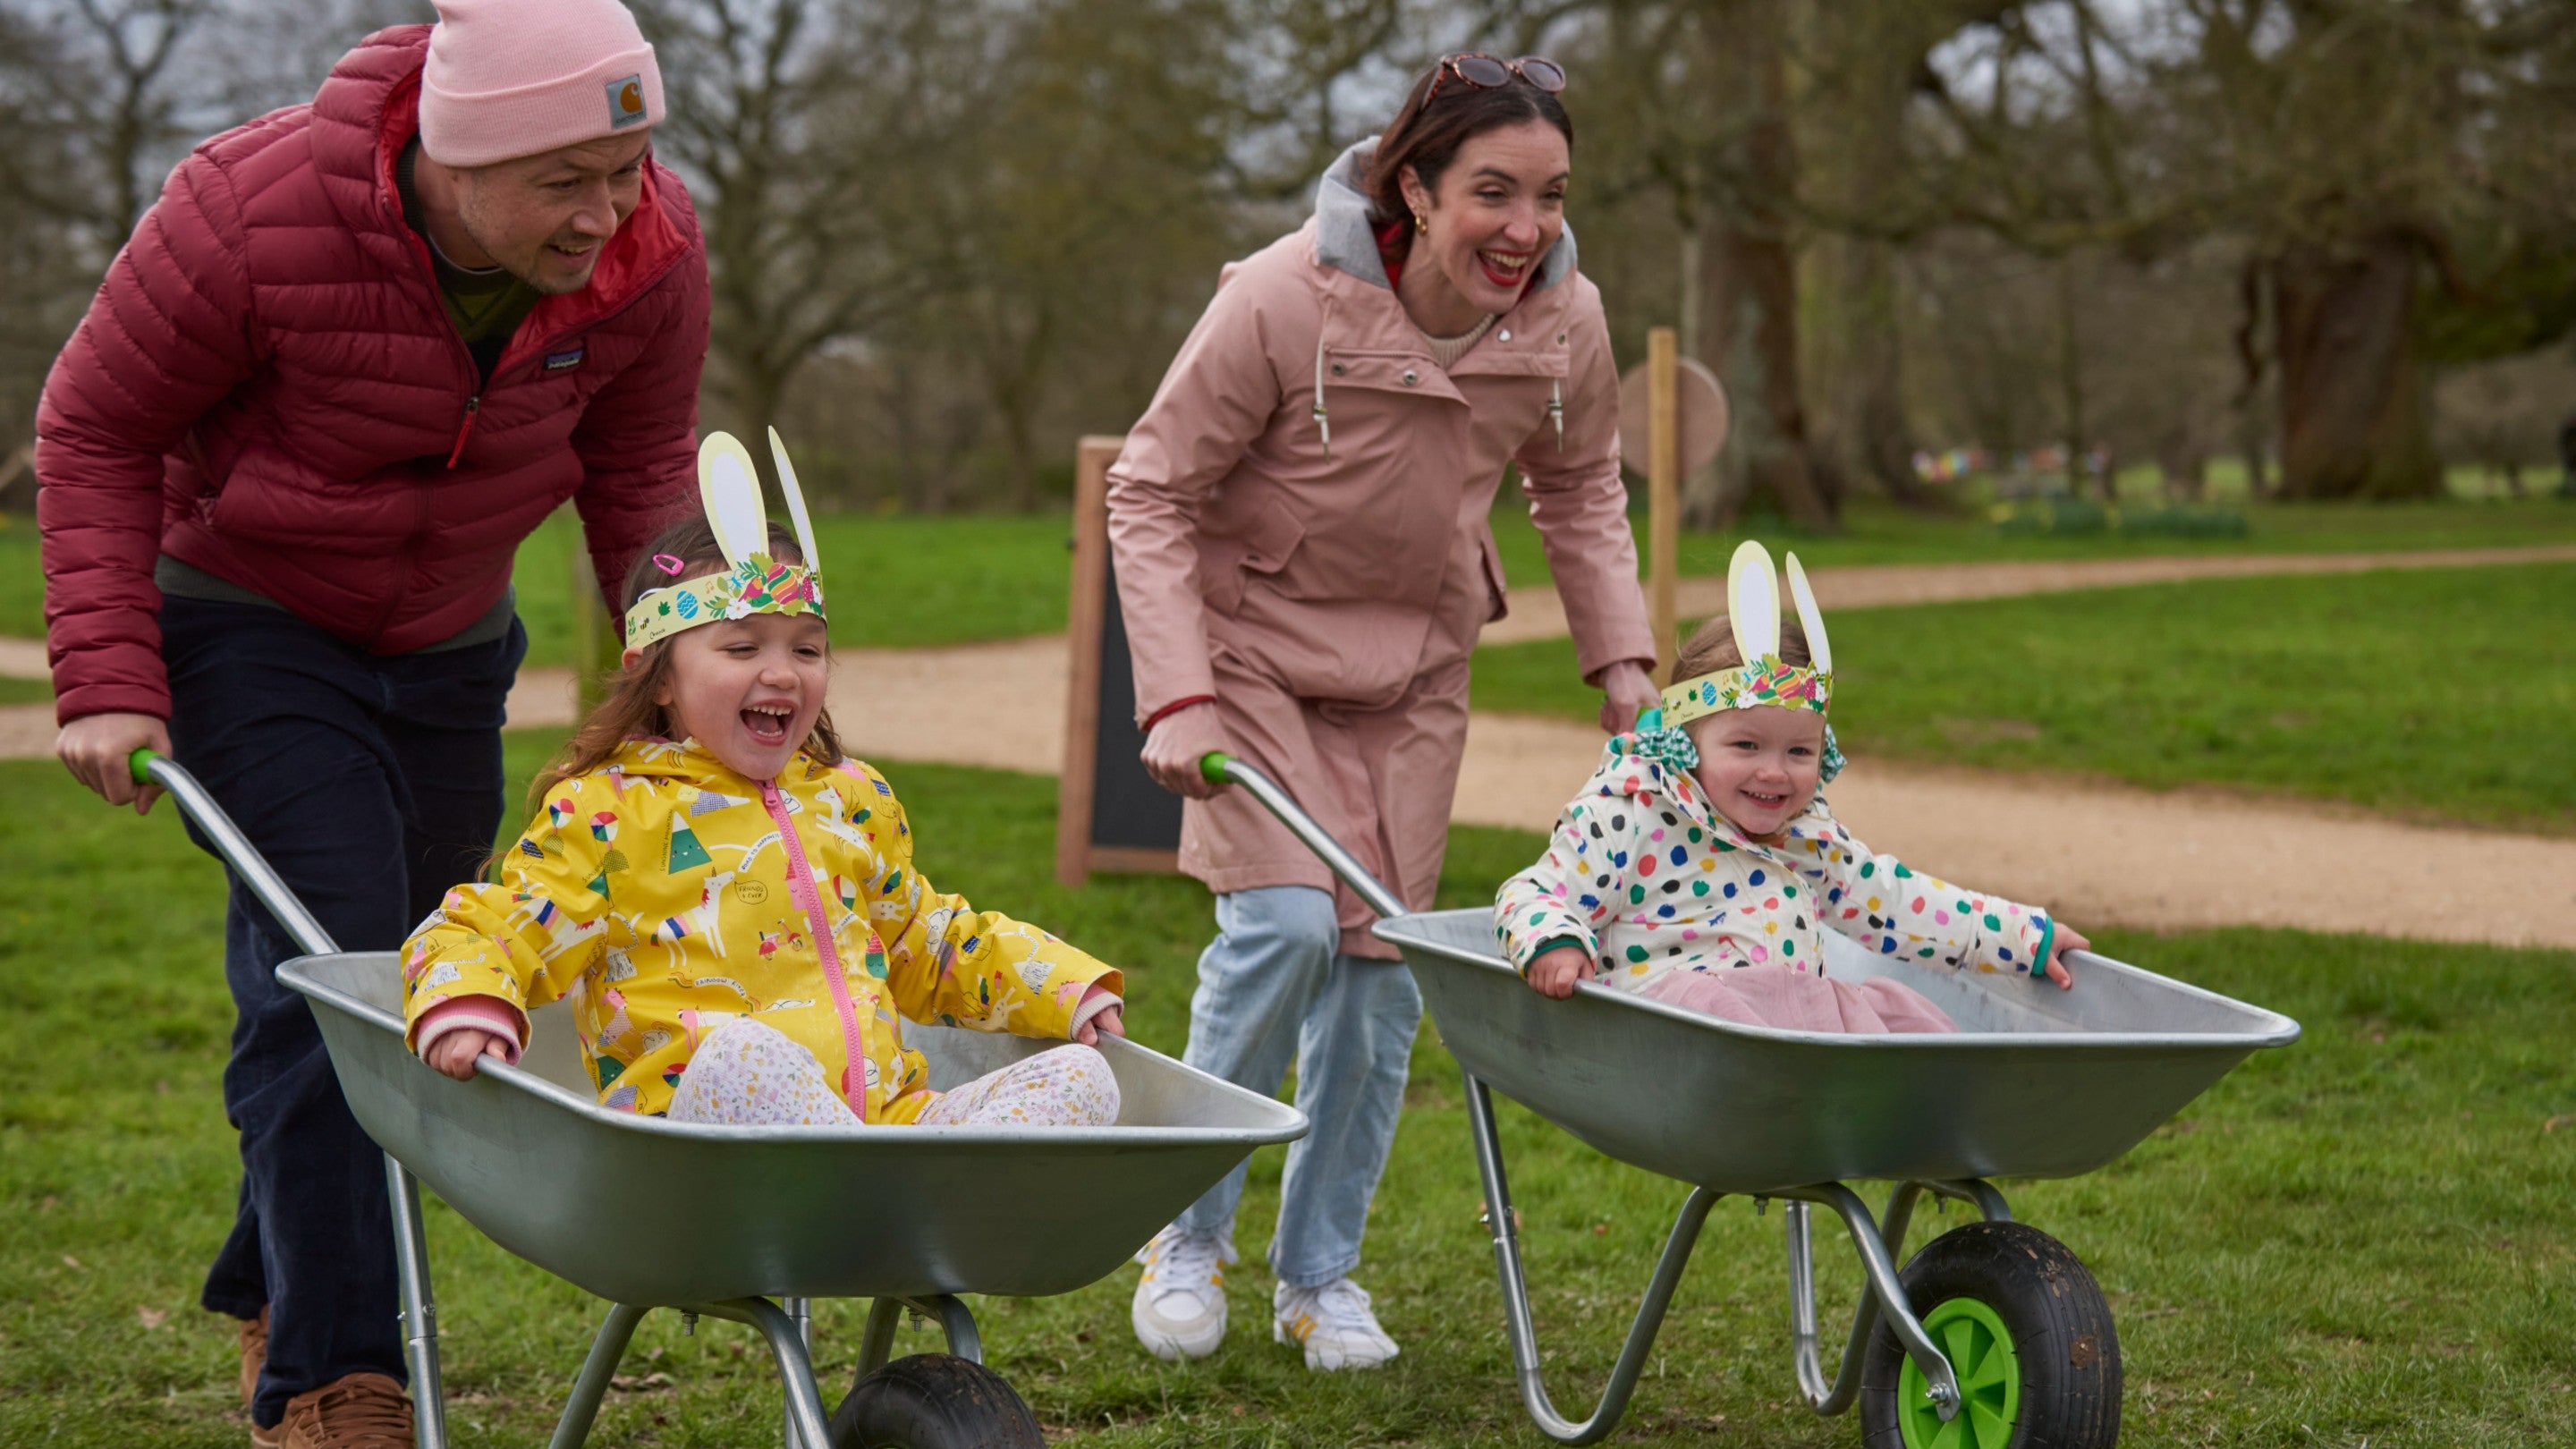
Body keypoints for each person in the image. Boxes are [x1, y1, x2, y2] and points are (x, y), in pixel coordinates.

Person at [33, 3, 710, 1441]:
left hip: (454, 643)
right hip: (248, 623)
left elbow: (642, 462)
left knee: (410, 978)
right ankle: (331, 1377)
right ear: (458, 159)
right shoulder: (248, 213)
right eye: (568, 181)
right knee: (332, 963)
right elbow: (94, 425)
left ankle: (275, 1274)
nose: (610, 213)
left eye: (630, 165)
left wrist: (697, 675)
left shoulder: (653, 248)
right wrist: (103, 674)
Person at [1107, 53, 1658, 1371]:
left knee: (1377, 979)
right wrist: (1179, 693)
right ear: (1415, 184)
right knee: (1285, 930)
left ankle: (1321, 1278)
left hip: (1414, 678)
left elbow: (1579, 491)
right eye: (1492, 192)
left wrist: (1624, 666)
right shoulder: (1281, 297)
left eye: (1550, 194)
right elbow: (1152, 487)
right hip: (1252, 659)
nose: (1525, 228)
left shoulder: (1565, 321)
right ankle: (1184, 1236)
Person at [403, 434, 1128, 1127]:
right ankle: (883, 1213)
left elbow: (926, 940)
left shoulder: (850, 799)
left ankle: (909, 1201)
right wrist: (467, 996)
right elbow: (495, 924)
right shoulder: (611, 811)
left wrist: (1058, 985)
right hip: (710, 1137)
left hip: (883, 1124)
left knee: (1080, 1077)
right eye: (743, 646)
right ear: (658, 678)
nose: (781, 672)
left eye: (806, 649)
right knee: (744, 1056)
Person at [1496, 543, 2089, 1028]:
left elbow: (1900, 904)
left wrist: (2022, 936)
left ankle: (1927, 1112)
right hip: (1680, 1029)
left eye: (1799, 751)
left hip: (1790, 1029)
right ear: (1687, 740)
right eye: (1746, 746)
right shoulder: (1632, 813)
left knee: (1903, 1014)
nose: (1775, 772)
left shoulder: (1805, 837)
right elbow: (1534, 892)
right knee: (1717, 1008)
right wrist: (1555, 942)